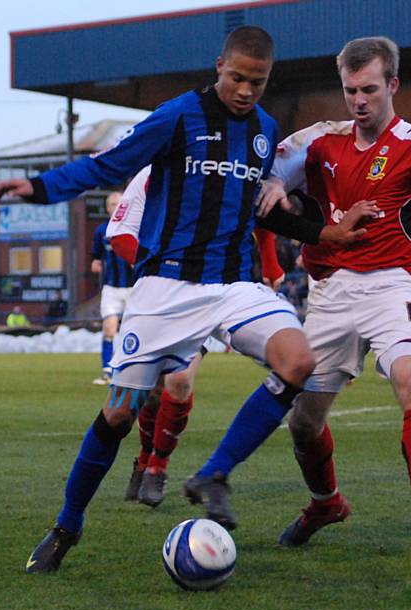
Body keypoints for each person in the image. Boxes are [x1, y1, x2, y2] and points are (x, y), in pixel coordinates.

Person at [0, 26, 369, 573]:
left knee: (299, 359)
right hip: (164, 289)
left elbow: (265, 211)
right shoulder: (178, 116)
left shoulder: (264, 132)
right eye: (236, 78)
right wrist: (41, 186)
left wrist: (328, 234)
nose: (245, 90)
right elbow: (111, 166)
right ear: (219, 67)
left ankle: (213, 473)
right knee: (118, 414)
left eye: (256, 82)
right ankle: (66, 526)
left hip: (233, 285)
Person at [258, 36, 411, 553]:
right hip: (329, 292)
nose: (359, 101)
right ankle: (326, 503)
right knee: (303, 424)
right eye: (350, 91)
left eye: (369, 89)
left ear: (392, 84)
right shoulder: (319, 140)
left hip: (395, 283)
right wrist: (275, 188)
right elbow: (271, 177)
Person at [110, 166, 285, 508]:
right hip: (160, 295)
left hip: (210, 290)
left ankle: (157, 468)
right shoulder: (151, 175)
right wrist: (158, 267)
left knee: (178, 381)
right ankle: (144, 458)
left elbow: (259, 215)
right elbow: (120, 235)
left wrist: (270, 263)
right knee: (154, 389)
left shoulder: (226, 165)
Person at [90, 191, 134, 384]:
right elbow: (95, 256)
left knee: (134, 329)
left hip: (134, 287)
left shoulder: (134, 227)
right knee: (109, 329)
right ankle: (107, 371)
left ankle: (132, 370)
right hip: (111, 288)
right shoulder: (102, 231)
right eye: (112, 204)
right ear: (107, 208)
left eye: (119, 203)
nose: (115, 207)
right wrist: (95, 263)